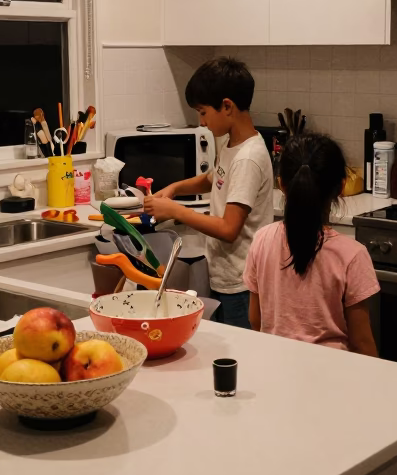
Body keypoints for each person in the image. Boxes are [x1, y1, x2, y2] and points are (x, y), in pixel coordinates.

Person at [143, 56, 273, 328]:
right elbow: (211, 179)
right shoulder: (232, 144)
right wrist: (176, 188)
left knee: (239, 358)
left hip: (242, 284)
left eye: (202, 112)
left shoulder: (248, 157)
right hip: (226, 278)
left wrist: (176, 211)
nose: (201, 122)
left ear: (227, 106)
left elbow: (228, 228)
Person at [243, 132, 379, 354]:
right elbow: (362, 343)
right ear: (342, 187)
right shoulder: (353, 255)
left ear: (282, 185)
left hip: (273, 369)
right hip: (331, 377)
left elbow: (255, 320)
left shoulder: (262, 239)